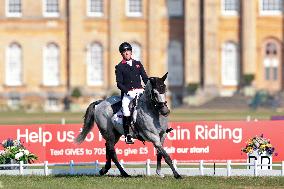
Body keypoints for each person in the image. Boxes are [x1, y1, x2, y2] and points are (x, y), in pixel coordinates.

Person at [115, 42, 148, 144]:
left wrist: (150, 85)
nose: (126, 53)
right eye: (124, 51)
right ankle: (127, 135)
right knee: (126, 110)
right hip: (128, 93)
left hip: (140, 90)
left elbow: (145, 78)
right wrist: (127, 92)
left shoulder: (138, 64)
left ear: (131, 52)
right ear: (122, 54)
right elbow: (119, 83)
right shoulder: (119, 67)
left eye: (128, 50)